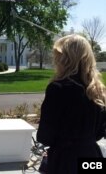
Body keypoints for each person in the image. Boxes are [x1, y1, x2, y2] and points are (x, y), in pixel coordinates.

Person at [37, 34, 106, 174]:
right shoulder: (98, 90)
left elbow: (45, 136)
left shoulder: (58, 88)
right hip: (92, 156)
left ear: (65, 59)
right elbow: (100, 132)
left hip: (64, 160)